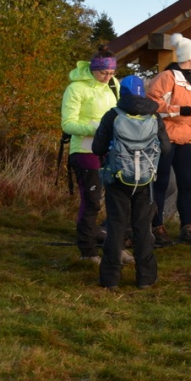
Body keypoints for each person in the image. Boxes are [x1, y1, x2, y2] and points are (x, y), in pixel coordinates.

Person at [92, 75, 165, 289]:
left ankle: (110, 279)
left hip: (118, 178)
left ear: (121, 93)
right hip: (145, 180)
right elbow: (167, 147)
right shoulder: (154, 116)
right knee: (143, 227)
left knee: (116, 226)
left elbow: (97, 148)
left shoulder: (112, 115)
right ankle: (146, 278)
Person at [146, 34, 191, 246]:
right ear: (190, 56)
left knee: (186, 183)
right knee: (161, 183)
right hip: (164, 137)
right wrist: (180, 110)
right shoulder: (167, 77)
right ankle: (156, 227)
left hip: (186, 138)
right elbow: (151, 104)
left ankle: (187, 227)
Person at [60, 47, 120, 261]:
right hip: (85, 149)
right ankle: (88, 250)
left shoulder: (113, 84)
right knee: (92, 201)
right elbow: (67, 124)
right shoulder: (76, 88)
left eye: (112, 73)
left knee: (117, 200)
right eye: (103, 73)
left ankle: (116, 245)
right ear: (93, 69)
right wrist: (97, 129)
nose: (108, 77)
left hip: (111, 149)